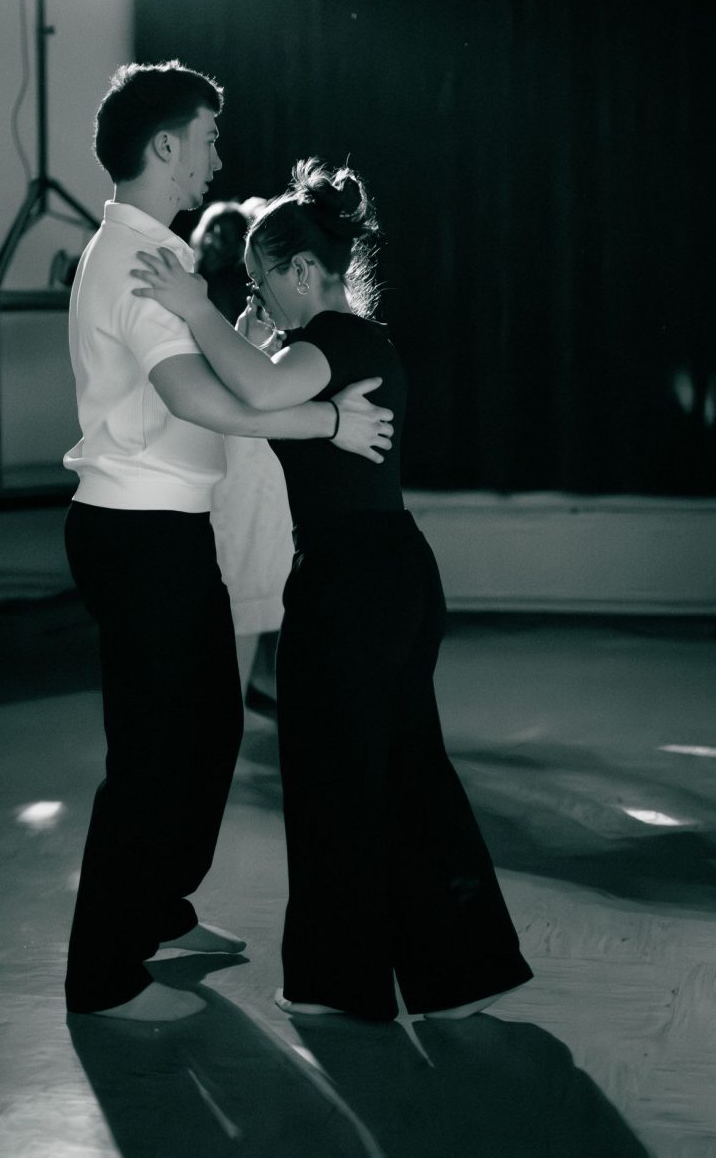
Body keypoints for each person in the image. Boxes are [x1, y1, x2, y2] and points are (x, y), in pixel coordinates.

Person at [131, 157, 534, 1022]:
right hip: (377, 576)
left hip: (356, 584)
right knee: (398, 770)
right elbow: (254, 398)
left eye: (261, 280)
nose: (258, 297)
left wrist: (197, 308)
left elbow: (259, 389)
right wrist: (244, 336)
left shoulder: (337, 340)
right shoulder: (340, 346)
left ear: (303, 270)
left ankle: (338, 984)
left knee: (336, 780)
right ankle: (461, 973)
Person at [62, 64, 395, 1024]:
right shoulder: (137, 260)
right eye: (206, 136)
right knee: (153, 754)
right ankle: (103, 977)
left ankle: (156, 912)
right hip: (136, 533)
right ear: (164, 145)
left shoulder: (156, 255)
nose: (215, 156)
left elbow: (201, 377)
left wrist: (227, 331)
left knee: (207, 731)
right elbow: (198, 399)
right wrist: (330, 424)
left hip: (168, 529)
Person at [190, 202, 294, 699]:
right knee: (247, 571)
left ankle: (246, 690)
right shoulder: (229, 301)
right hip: (241, 447)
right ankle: (244, 691)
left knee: (246, 569)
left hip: (239, 449)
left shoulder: (214, 299)